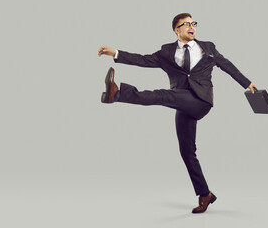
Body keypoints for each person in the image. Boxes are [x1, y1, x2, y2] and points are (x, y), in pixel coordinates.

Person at [98, 13, 257, 213]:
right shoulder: (167, 52)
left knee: (163, 95)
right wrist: (116, 53)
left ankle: (118, 93)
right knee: (187, 152)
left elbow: (227, 66)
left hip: (201, 101)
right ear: (177, 29)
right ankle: (205, 194)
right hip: (182, 102)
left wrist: (247, 82)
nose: (192, 27)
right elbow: (144, 60)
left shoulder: (208, 48)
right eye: (186, 24)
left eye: (193, 23)